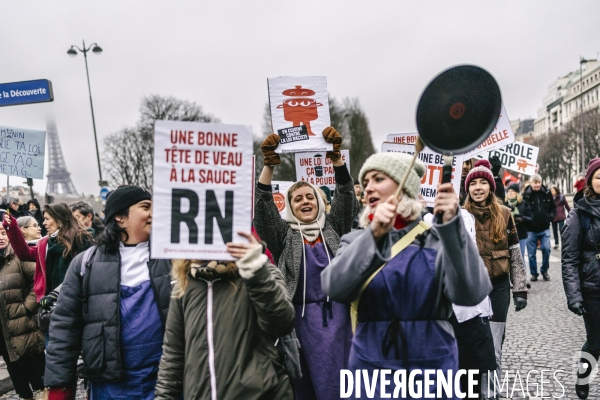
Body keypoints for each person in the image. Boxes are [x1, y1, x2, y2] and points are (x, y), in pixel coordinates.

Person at [321, 152, 492, 398]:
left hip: (433, 368)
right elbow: (333, 287)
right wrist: (373, 237)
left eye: (378, 178)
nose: (368, 188)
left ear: (405, 187)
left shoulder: (437, 238)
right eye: (365, 182)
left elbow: (471, 293)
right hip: (373, 368)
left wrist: (453, 230)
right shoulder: (355, 240)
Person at [254, 127, 358, 400]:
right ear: (290, 206)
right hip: (299, 324)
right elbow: (263, 207)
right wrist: (268, 166)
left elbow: (347, 195)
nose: (305, 201)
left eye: (309, 196)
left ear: (319, 202)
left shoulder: (335, 227)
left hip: (340, 320)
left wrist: (336, 160)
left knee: (342, 384)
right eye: (297, 199)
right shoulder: (284, 236)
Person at [44, 186, 172, 400]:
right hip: (110, 386)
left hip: (165, 382)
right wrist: (59, 386)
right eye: (146, 207)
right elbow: (65, 327)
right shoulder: (86, 264)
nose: (153, 213)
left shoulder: (175, 259)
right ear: (120, 217)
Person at [155, 232, 296, 399]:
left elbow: (281, 322)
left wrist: (255, 272)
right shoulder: (184, 284)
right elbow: (173, 355)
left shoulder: (261, 272)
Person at [463, 160, 528, 397]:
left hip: (498, 288)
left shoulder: (505, 213)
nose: (478, 187)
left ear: (491, 186)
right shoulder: (461, 215)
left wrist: (519, 289)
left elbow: (515, 254)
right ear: (467, 188)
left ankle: (490, 392)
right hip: (471, 291)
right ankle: (471, 390)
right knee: (474, 344)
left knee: (494, 346)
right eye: (473, 183)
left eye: (483, 182)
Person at [562, 157, 600, 400]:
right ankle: (583, 375)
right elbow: (569, 258)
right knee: (596, 341)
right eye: (599, 177)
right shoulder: (579, 215)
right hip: (592, 288)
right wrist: (574, 295)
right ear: (590, 181)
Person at [4, 203, 93, 303]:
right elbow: (25, 254)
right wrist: (12, 228)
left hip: (78, 299)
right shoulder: (45, 243)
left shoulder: (82, 239)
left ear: (59, 219)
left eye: (47, 219)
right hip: (52, 301)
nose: (44, 223)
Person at [0, 220, 45, 400]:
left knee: (34, 368)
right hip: (3, 328)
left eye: (3, 233)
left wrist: (26, 308)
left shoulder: (18, 256)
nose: (0, 237)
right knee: (14, 367)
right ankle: (24, 395)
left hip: (24, 324)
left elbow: (37, 284)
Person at [522, 174, 556, 281]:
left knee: (546, 249)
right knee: (531, 254)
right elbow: (522, 210)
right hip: (531, 230)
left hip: (544, 227)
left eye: (539, 182)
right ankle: (533, 273)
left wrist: (549, 217)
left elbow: (553, 208)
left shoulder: (546, 193)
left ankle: (544, 270)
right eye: (535, 183)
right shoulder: (525, 196)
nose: (537, 185)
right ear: (531, 183)